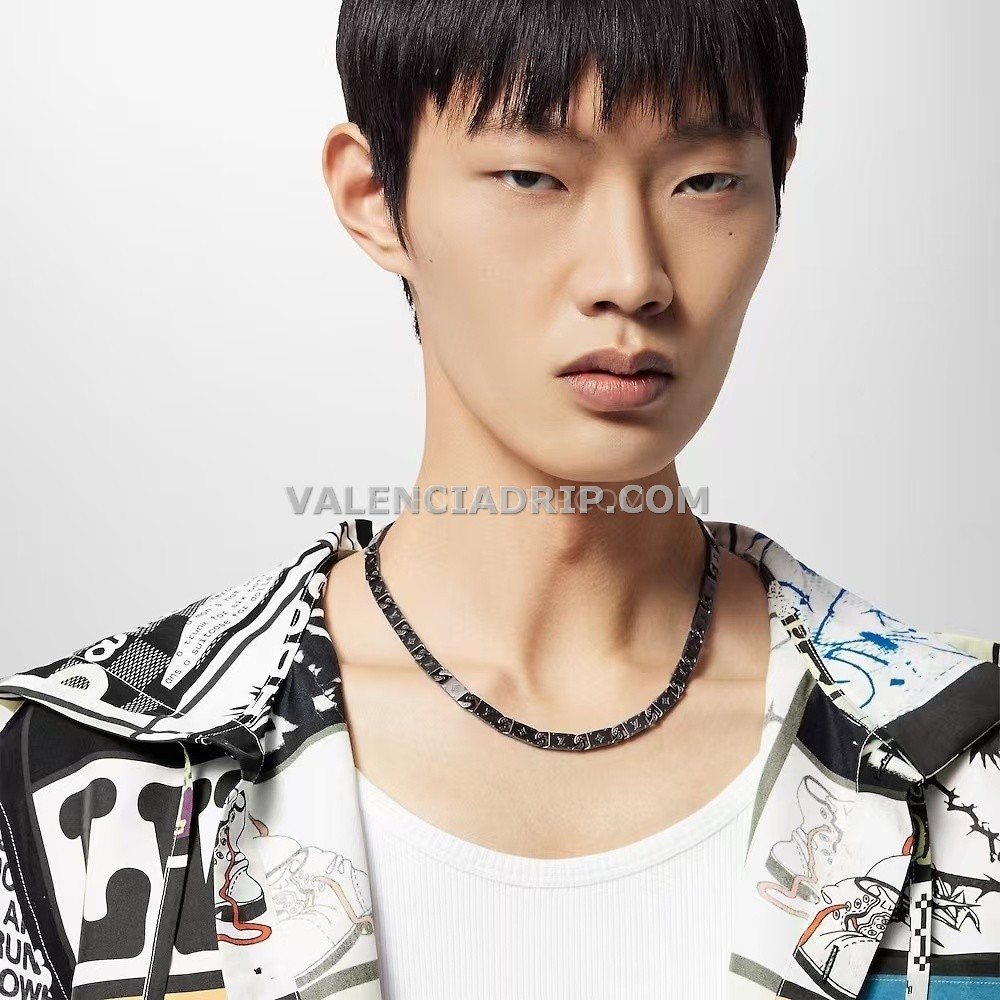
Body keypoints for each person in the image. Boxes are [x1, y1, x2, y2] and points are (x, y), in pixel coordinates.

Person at [0, 2, 996, 999]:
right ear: (374, 198)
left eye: (703, 180)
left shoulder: (969, 765)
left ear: (777, 186)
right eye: (532, 176)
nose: (631, 278)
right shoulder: (72, 776)